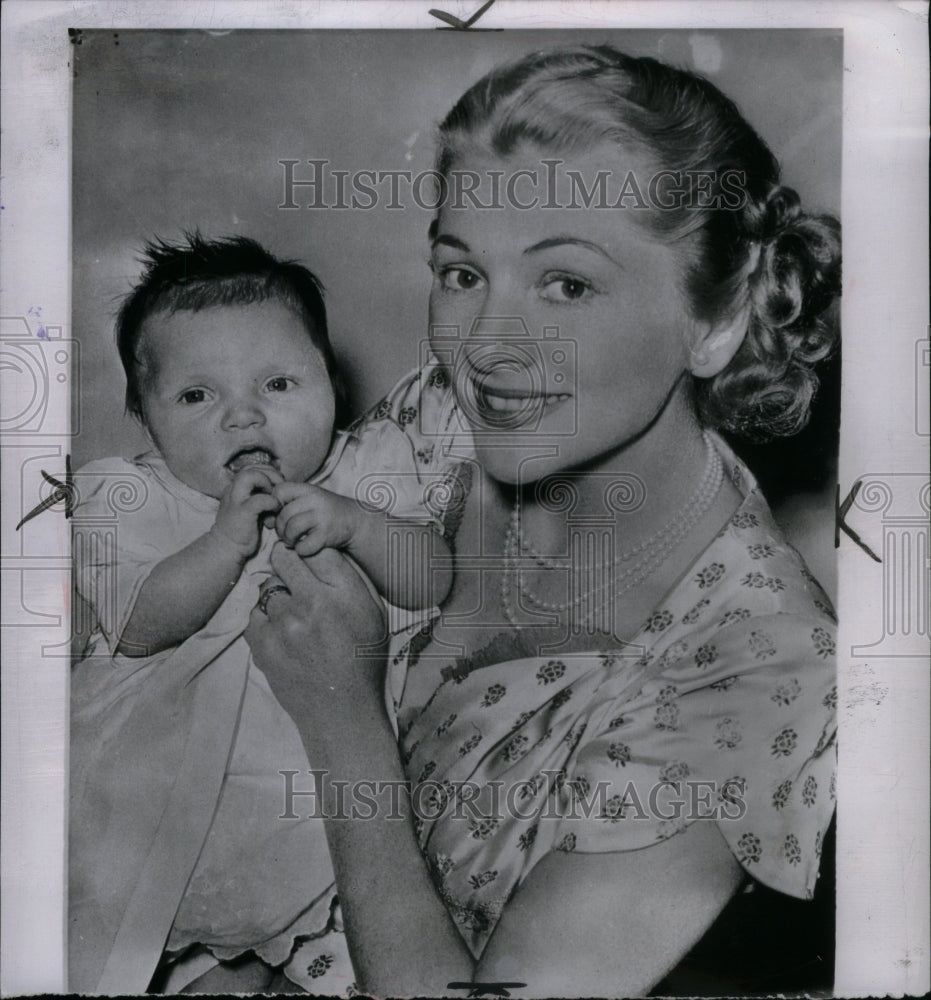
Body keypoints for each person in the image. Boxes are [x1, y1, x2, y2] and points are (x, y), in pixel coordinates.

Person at [246, 45, 841, 997]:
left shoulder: (760, 672)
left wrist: (343, 721)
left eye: (565, 284)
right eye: (461, 273)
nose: (483, 347)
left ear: (717, 318)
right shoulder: (440, 422)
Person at [68, 234, 452, 994]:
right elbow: (140, 621)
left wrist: (357, 524)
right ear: (142, 417)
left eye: (278, 383)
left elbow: (430, 578)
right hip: (162, 824)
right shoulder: (125, 497)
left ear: (331, 384)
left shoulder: (367, 468)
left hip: (320, 853)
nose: (242, 420)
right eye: (196, 396)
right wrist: (222, 542)